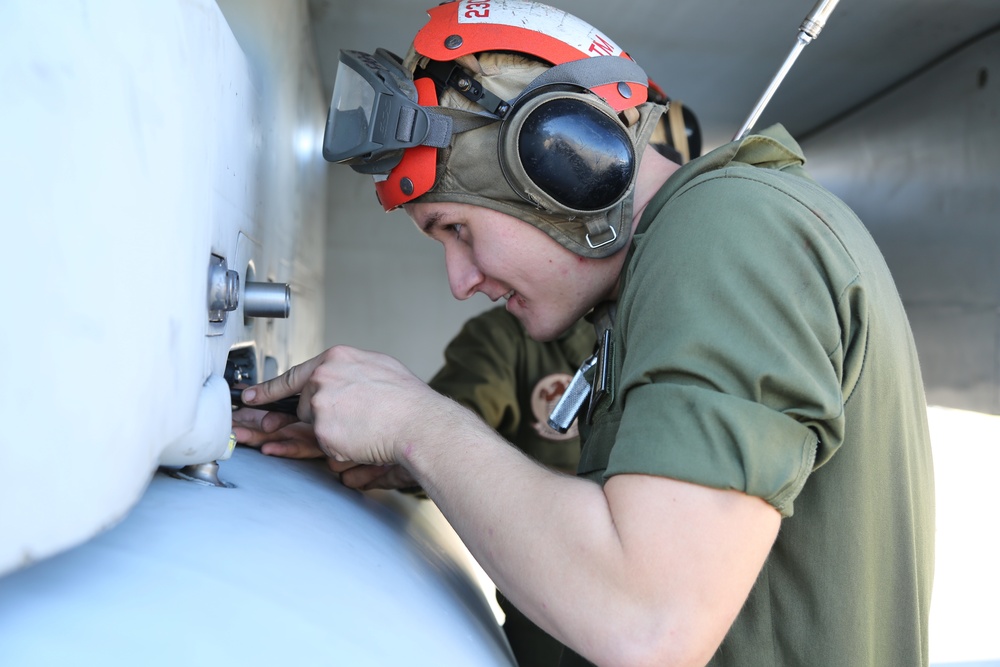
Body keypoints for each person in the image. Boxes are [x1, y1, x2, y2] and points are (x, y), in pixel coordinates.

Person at [234, 2, 935, 665]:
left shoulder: (731, 234)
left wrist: (420, 424)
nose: (460, 279)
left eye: (456, 228)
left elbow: (649, 620)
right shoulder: (680, 263)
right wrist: (417, 463)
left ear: (564, 166)